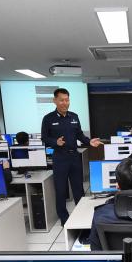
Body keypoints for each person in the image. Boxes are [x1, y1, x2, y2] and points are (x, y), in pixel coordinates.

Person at [41, 88, 102, 225]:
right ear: (54, 101)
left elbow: (79, 134)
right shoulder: (48, 118)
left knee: (78, 189)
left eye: (67, 100)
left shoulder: (74, 116)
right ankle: (64, 218)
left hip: (74, 157)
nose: (64, 103)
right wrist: (55, 142)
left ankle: (81, 215)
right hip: (60, 158)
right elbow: (44, 138)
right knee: (61, 190)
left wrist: (89, 141)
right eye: (61, 100)